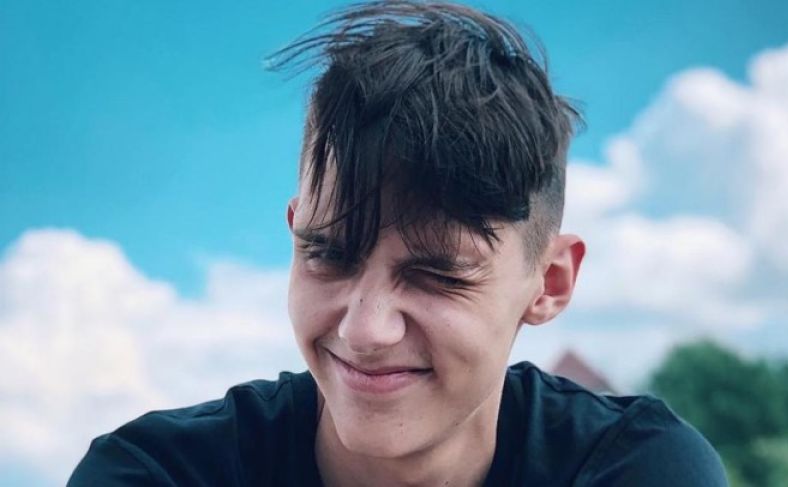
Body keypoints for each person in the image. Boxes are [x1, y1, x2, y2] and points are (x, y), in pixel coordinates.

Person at [69, 1, 727, 485]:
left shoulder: (633, 467)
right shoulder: (158, 472)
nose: (366, 329)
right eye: (328, 254)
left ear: (549, 282)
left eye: (439, 275)